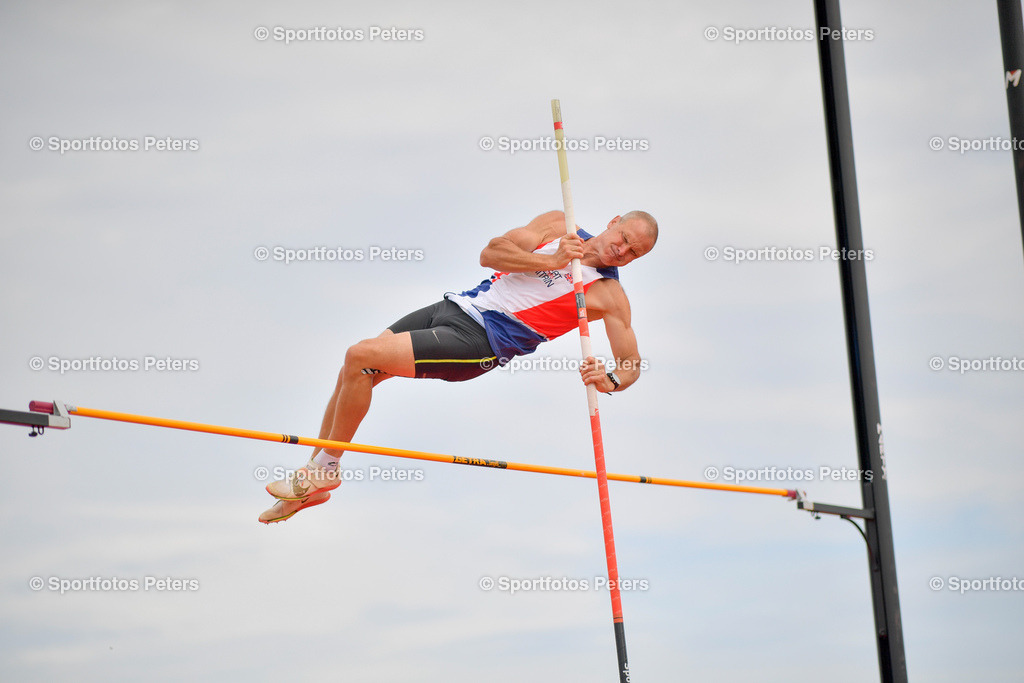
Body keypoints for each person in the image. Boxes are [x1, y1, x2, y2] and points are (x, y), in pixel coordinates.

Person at [259, 209, 658, 523]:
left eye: (633, 252)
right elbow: (491, 253)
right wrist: (552, 259)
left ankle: (324, 468)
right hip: (455, 307)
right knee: (355, 369)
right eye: (624, 239)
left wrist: (607, 379)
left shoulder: (608, 293)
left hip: (482, 341)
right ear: (613, 223)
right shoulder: (559, 225)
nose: (622, 251)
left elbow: (631, 366)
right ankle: (317, 474)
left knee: (361, 355)